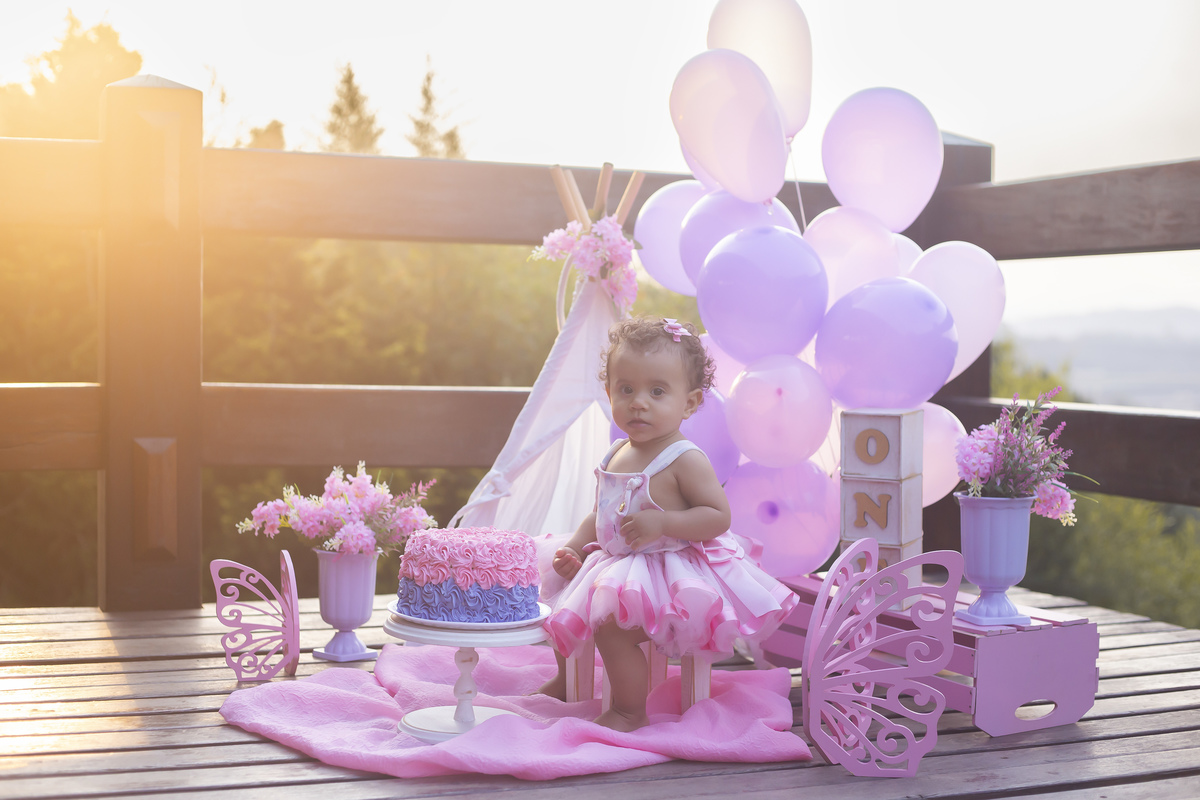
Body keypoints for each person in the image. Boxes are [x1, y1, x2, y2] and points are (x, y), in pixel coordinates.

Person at [538, 317, 799, 731]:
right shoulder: (616, 452)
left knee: (613, 631)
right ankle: (565, 678)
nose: (639, 402)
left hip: (663, 571)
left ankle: (628, 709)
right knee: (556, 596)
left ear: (690, 403)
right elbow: (599, 514)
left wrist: (664, 523)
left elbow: (717, 517)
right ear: (609, 394)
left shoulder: (684, 458)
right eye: (626, 389)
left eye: (657, 391)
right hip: (612, 560)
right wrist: (574, 547)